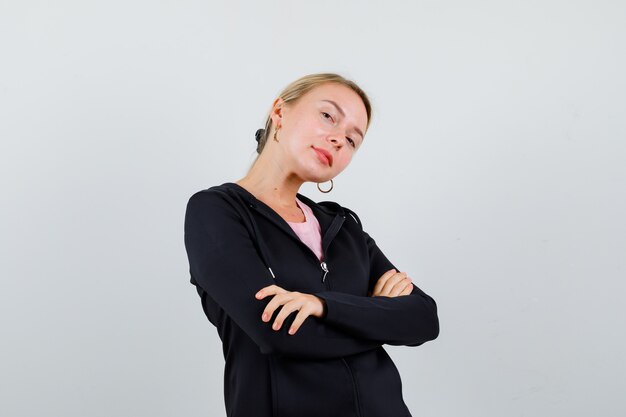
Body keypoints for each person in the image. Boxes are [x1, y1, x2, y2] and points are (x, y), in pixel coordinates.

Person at [183, 73, 439, 417]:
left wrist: (323, 306)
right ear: (280, 112)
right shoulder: (216, 212)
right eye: (327, 116)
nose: (338, 139)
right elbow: (277, 333)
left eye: (352, 140)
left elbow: (424, 318)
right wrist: (378, 316)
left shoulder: (344, 227)